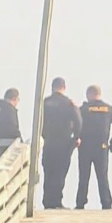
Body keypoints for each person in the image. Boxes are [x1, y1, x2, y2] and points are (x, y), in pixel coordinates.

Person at [75, 85, 112, 210]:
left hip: (85, 147)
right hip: (102, 147)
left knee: (83, 176)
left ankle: (80, 203)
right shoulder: (108, 108)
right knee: (102, 176)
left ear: (89, 95)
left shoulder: (83, 109)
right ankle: (106, 203)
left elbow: (75, 125)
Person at [40, 77, 82, 209]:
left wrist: (43, 135)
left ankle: (47, 201)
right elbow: (78, 121)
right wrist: (76, 137)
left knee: (48, 171)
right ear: (64, 87)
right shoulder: (68, 103)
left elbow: (39, 122)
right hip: (63, 143)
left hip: (48, 142)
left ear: (52, 87)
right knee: (60, 172)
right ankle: (56, 201)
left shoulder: (44, 103)